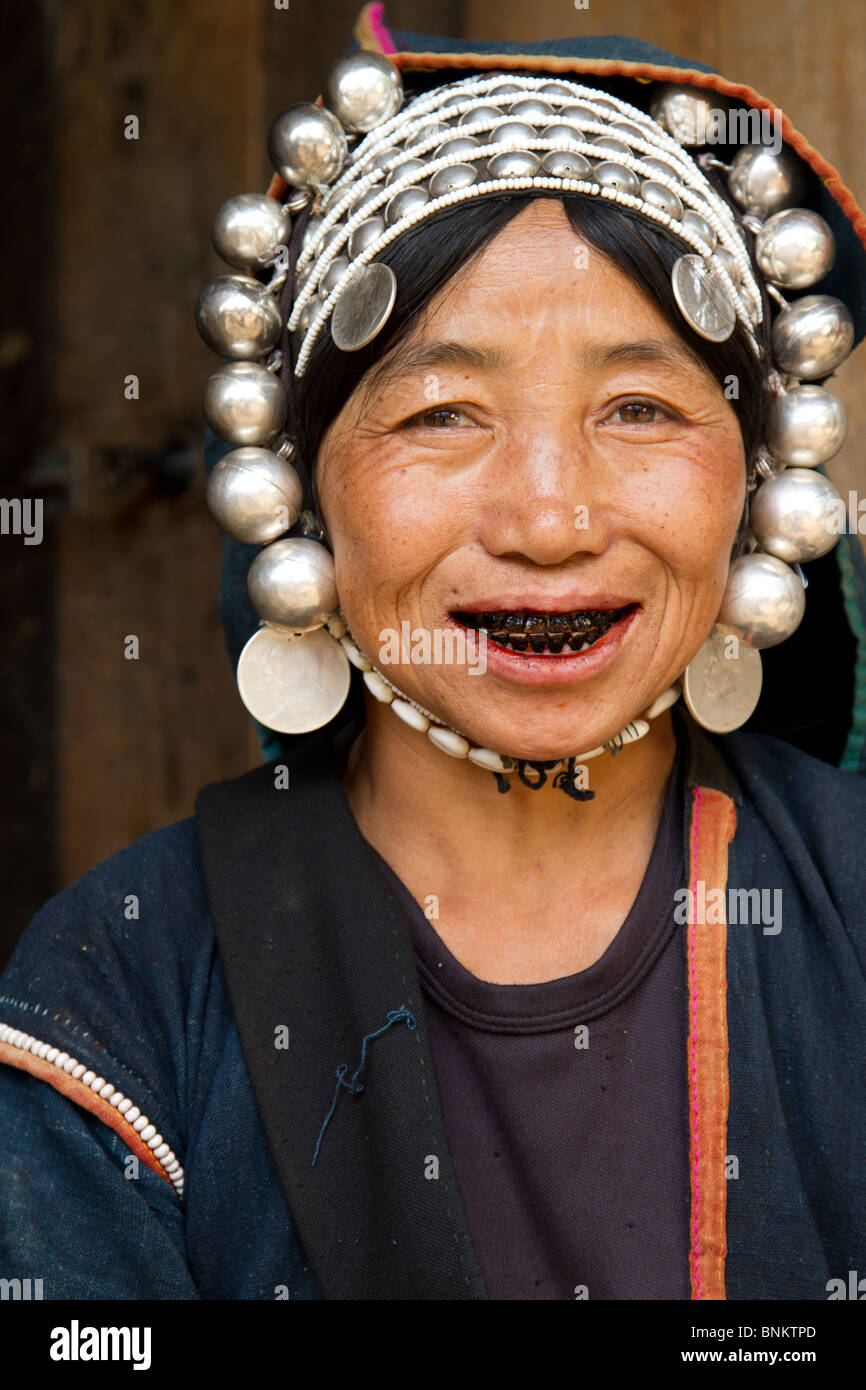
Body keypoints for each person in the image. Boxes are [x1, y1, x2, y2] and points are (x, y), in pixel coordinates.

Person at [2, 3, 866, 1301]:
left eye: (638, 407)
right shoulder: (124, 981)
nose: (548, 518)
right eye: (440, 411)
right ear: (299, 492)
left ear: (755, 487)